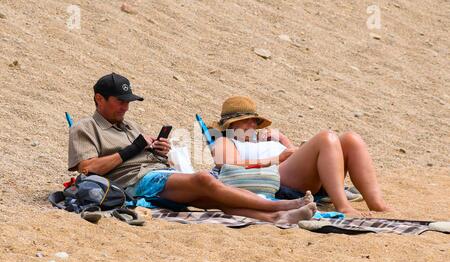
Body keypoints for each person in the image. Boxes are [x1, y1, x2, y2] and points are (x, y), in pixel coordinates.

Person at [68, 73, 316, 225]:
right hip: (135, 182)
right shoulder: (85, 128)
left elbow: (139, 152)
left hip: (159, 173)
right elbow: (88, 169)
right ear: (99, 99)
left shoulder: (127, 125)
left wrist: (158, 150)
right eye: (120, 102)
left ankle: (275, 219)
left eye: (128, 102)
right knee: (204, 178)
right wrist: (132, 149)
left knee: (213, 198)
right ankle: (280, 207)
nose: (126, 107)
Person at [210, 96, 392, 217]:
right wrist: (277, 159)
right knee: (326, 137)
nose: (253, 124)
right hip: (277, 181)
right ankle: (343, 205)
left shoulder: (264, 139)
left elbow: (296, 155)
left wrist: (283, 140)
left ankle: (377, 204)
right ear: (231, 125)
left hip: (302, 178)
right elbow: (229, 166)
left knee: (352, 139)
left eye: (254, 120)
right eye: (246, 120)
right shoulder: (225, 142)